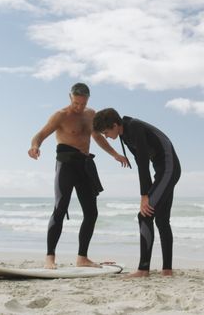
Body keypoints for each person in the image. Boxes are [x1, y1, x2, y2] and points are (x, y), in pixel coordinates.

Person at [28, 83, 129, 269]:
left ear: (88, 100)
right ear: (70, 98)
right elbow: (40, 135)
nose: (79, 107)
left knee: (91, 212)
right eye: (76, 103)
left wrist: (115, 154)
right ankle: (50, 257)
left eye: (82, 104)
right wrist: (35, 146)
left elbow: (98, 138)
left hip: (84, 164)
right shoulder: (61, 116)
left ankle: (82, 257)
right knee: (60, 209)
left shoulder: (91, 114)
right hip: (66, 163)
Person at [93, 108, 181, 277]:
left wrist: (144, 196)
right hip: (163, 170)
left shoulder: (134, 128)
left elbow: (142, 162)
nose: (106, 136)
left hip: (168, 169)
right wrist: (147, 192)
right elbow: (142, 160)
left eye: (106, 132)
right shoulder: (125, 133)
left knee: (144, 215)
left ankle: (143, 269)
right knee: (161, 220)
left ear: (114, 125)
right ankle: (167, 270)